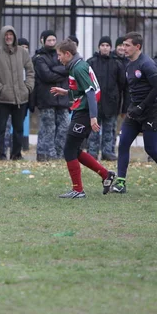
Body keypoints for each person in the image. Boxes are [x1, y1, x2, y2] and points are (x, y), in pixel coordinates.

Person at [110, 32, 157, 194]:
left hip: (150, 112)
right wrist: (132, 107)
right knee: (123, 144)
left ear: (137, 47)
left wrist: (141, 107)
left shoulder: (147, 64)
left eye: (127, 45)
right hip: (135, 111)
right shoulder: (128, 64)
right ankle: (121, 183)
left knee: (151, 149)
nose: (123, 48)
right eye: (123, 45)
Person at [50, 39, 116, 199]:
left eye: (60, 55)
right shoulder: (76, 65)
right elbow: (81, 91)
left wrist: (93, 117)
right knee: (75, 150)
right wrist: (66, 92)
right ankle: (106, 174)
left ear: (68, 54)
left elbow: (91, 93)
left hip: (85, 113)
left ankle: (78, 190)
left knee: (69, 150)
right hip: (82, 111)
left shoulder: (78, 67)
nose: (58, 58)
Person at [0, 25, 35, 160]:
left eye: (11, 35)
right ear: (2, 36)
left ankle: (16, 154)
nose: (8, 37)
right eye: (6, 35)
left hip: (21, 98)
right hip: (1, 99)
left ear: (14, 36)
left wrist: (27, 87)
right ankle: (0, 155)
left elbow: (30, 71)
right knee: (0, 129)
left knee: (18, 129)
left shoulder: (23, 53)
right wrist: (0, 89)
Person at [87, 35, 125, 161]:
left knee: (110, 129)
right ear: (99, 47)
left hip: (111, 103)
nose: (105, 48)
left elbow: (122, 84)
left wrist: (119, 101)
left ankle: (108, 151)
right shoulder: (91, 62)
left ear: (110, 47)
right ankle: (92, 152)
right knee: (94, 130)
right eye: (102, 45)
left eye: (107, 45)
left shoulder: (117, 63)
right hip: (95, 103)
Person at [33, 30, 69, 162]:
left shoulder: (60, 55)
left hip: (62, 98)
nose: (52, 43)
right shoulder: (39, 58)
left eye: (54, 40)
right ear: (42, 40)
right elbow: (46, 75)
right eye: (49, 40)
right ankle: (45, 154)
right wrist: (60, 72)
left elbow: (67, 69)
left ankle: (59, 154)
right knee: (48, 128)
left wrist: (55, 70)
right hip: (47, 98)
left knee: (64, 126)